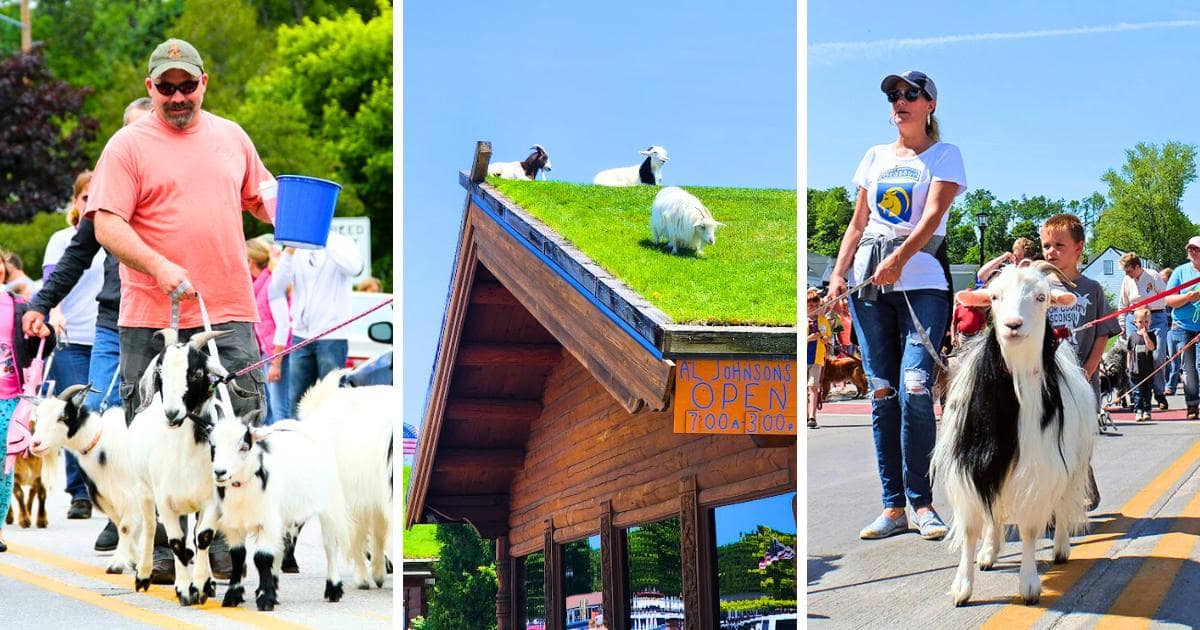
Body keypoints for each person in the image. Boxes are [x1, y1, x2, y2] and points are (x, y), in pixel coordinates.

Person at [84, 38, 276, 584]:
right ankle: (165, 544)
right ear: (150, 88)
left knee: (238, 422)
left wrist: (285, 207)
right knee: (154, 430)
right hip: (152, 313)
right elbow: (107, 224)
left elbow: (260, 193)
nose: (176, 96)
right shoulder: (127, 146)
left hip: (227, 307)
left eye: (185, 85)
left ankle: (226, 540)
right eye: (165, 87)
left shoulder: (232, 137)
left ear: (203, 83)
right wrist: (160, 266)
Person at [826, 70, 964, 541]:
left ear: (930, 105)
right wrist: (839, 276)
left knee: (916, 386)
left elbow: (931, 218)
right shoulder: (874, 156)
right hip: (869, 286)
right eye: (893, 95)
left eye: (910, 94)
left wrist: (900, 260)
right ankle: (893, 507)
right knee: (881, 391)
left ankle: (922, 501)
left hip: (923, 283)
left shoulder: (946, 156)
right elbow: (858, 221)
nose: (899, 101)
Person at [24, 97, 154, 556]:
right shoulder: (110, 192)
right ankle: (112, 509)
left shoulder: (176, 182)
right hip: (111, 319)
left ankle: (163, 517)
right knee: (99, 410)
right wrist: (41, 302)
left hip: (166, 318)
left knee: (158, 422)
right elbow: (75, 256)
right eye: (132, 131)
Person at [40, 170, 106, 520]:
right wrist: (55, 312)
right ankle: (79, 492)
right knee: (74, 412)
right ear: (76, 202)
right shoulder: (62, 239)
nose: (91, 202)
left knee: (105, 410)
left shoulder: (114, 237)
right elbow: (55, 280)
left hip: (109, 336)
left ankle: (105, 485)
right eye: (85, 197)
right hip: (72, 339)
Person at [1041, 213, 1118, 509]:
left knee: (1080, 438)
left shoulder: (1092, 289)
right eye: (1047, 245)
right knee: (1050, 439)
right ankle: (1056, 501)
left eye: (1059, 245)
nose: (1051, 252)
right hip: (1049, 379)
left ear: (1078, 248)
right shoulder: (1040, 289)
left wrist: (1089, 369)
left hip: (1083, 381)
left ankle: (1083, 479)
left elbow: (1103, 333)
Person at [0, 249, 58, 553]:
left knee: (4, 466)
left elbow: (41, 346)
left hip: (11, 397)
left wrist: (44, 333)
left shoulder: (20, 306)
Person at [272, 232, 364, 416]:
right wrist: (289, 251)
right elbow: (277, 285)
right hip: (301, 336)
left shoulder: (341, 242)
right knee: (297, 397)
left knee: (331, 397)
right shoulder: (298, 245)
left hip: (332, 335)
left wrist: (322, 236)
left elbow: (354, 268)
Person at [1118, 252, 1169, 412]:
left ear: (1137, 266)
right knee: (1135, 358)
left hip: (1156, 317)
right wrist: (1122, 325)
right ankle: (1136, 395)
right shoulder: (1127, 281)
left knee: (1157, 356)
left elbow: (1166, 297)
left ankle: (1159, 392)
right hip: (1134, 319)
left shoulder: (1153, 276)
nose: (1127, 274)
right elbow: (1123, 304)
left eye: (1129, 270)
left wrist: (1148, 306)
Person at [247, 237, 291, 424]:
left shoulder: (271, 285)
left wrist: (276, 363)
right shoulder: (260, 286)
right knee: (270, 409)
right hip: (268, 353)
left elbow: (283, 325)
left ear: (249, 262)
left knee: (280, 409)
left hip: (279, 354)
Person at [1164, 237, 1200, 419]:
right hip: (1183, 326)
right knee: (1189, 368)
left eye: (1197, 249)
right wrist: (1187, 297)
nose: (1193, 252)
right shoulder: (1180, 272)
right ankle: (1192, 405)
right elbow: (1169, 300)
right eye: (1190, 249)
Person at [807, 288, 832, 429]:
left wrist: (825, 339)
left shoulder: (823, 322)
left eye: (817, 306)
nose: (815, 308)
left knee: (813, 387)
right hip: (803, 358)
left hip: (817, 359)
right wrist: (809, 339)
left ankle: (812, 417)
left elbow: (828, 336)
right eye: (811, 306)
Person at [1127, 308, 1158, 422]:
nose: (1143, 324)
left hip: (1148, 371)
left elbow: (1151, 347)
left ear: (1150, 322)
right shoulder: (1132, 337)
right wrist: (1128, 366)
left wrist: (1145, 335)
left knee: (1147, 392)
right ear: (1135, 323)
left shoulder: (1151, 335)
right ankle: (1138, 410)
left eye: (1146, 322)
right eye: (1140, 322)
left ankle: (1147, 410)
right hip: (1136, 371)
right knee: (1137, 392)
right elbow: (1129, 352)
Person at [1160, 266, 1181, 395]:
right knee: (1164, 357)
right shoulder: (1161, 293)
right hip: (1164, 327)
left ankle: (1171, 385)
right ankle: (1167, 383)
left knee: (1174, 358)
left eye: (1163, 279)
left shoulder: (1176, 294)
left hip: (1174, 327)